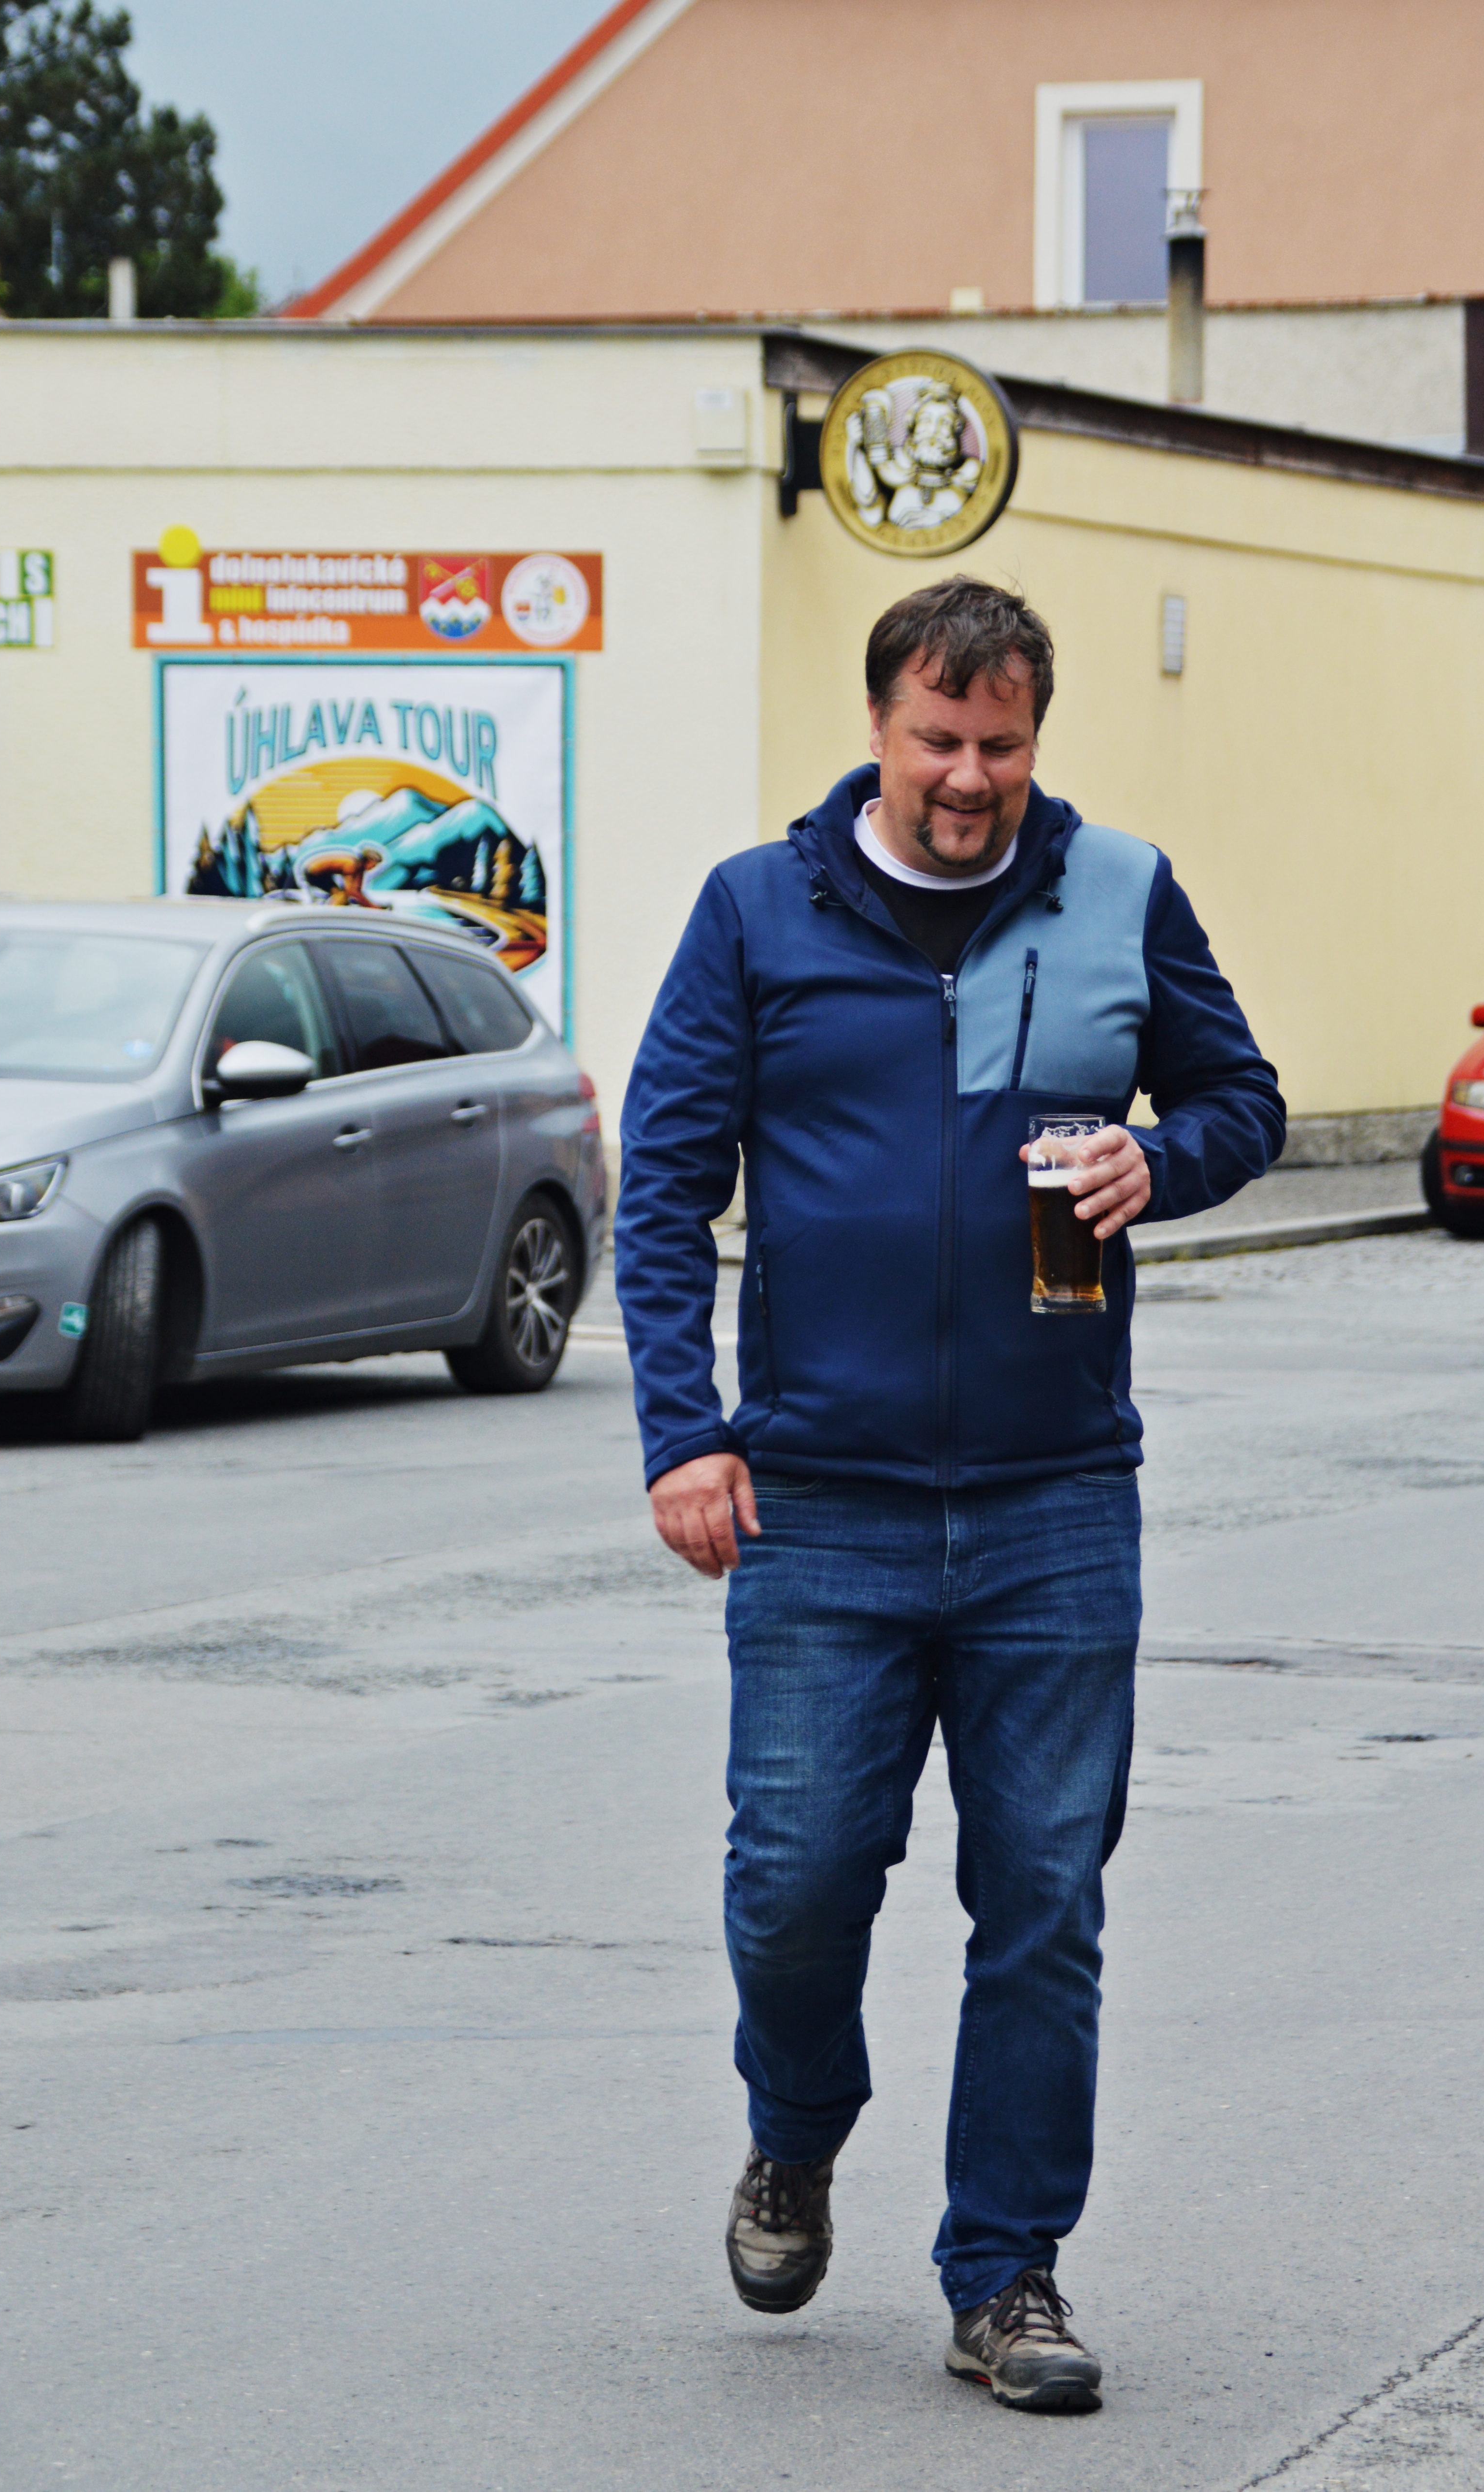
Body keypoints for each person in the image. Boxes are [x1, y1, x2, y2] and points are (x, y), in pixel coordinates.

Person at [615, 576, 1284, 2413]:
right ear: (879, 729)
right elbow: (662, 1188)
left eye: (1002, 744)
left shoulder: (1120, 892)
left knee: (1045, 1897)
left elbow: (1242, 1101)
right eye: (938, 741)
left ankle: (1007, 2276)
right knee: (797, 1880)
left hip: (1056, 1497)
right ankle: (796, 2126)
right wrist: (685, 1434)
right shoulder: (758, 910)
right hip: (816, 1500)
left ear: (1035, 736)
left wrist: (1160, 1160)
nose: (970, 778)